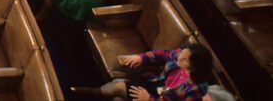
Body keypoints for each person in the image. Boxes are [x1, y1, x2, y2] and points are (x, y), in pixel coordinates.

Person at [71, 43, 216, 101]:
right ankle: (91, 93)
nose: (178, 57)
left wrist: (148, 99)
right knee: (118, 88)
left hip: (159, 98)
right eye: (181, 54)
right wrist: (141, 57)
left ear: (195, 66)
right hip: (155, 85)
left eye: (184, 59)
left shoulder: (197, 89)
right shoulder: (180, 56)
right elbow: (164, 54)